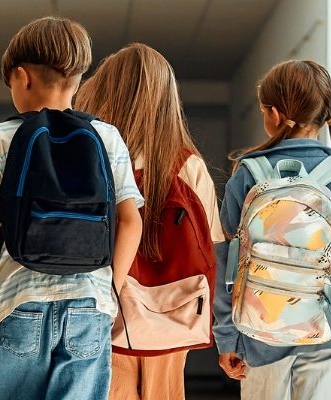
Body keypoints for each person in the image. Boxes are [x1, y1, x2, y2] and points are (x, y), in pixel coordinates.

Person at [0, 16, 144, 400]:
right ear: (77, 80)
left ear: (22, 77)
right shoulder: (106, 136)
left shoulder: (0, 136)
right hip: (90, 301)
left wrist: (5, 236)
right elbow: (130, 222)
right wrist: (111, 288)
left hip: (19, 300)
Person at [75, 43, 223, 400]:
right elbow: (213, 244)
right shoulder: (187, 165)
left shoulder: (93, 156)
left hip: (107, 311)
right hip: (172, 317)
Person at [214, 60, 331, 400]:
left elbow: (223, 261)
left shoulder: (248, 174)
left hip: (258, 334)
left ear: (274, 115)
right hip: (327, 332)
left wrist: (226, 338)